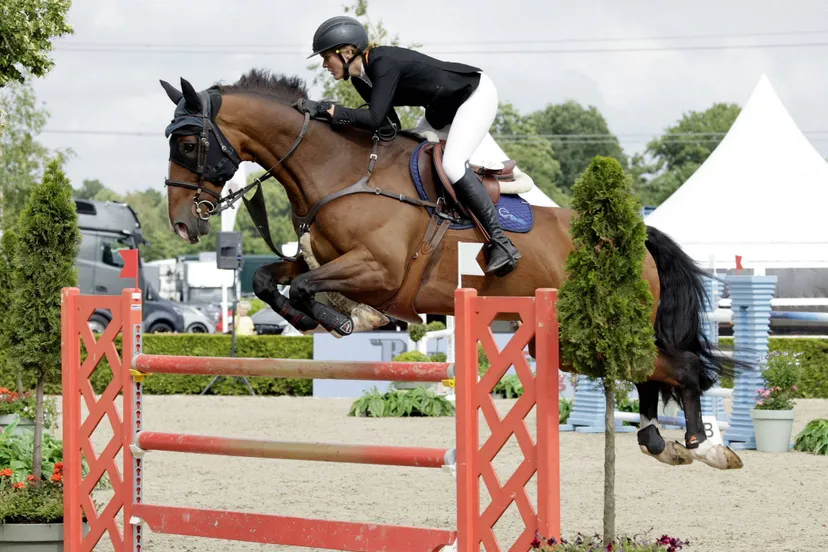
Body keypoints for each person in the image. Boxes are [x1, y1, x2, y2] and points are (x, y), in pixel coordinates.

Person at [299, 16, 520, 276]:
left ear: (346, 52)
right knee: (408, 159)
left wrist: (328, 110)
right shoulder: (361, 79)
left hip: (473, 96)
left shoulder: (383, 63)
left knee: (452, 165)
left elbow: (374, 118)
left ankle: (502, 243)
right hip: (441, 111)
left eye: (326, 57)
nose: (325, 65)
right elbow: (388, 125)